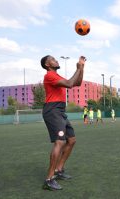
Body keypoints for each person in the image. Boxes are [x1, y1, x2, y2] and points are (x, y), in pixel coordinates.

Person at [41, 55, 86, 190]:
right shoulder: (49, 75)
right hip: (52, 110)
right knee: (59, 142)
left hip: (60, 110)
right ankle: (49, 180)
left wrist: (81, 67)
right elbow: (69, 84)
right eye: (53, 59)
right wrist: (78, 68)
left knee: (71, 140)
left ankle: (59, 170)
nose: (56, 60)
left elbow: (76, 83)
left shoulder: (56, 76)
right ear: (47, 65)